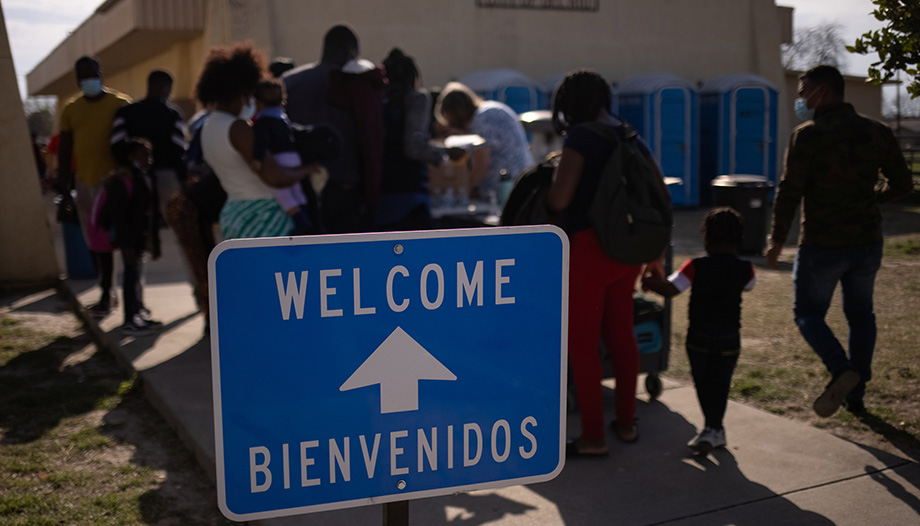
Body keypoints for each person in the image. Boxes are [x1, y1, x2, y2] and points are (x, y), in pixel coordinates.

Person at [766, 65, 913, 417]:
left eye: (804, 93)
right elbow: (903, 183)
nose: (801, 100)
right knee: (861, 316)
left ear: (824, 92)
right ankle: (856, 393)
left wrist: (775, 240)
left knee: (807, 313)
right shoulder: (876, 131)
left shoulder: (808, 135)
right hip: (867, 241)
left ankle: (841, 369)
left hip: (822, 243)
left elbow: (790, 192)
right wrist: (872, 196)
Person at [546, 70, 668, 457]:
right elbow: (659, 192)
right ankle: (627, 423)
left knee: (582, 344)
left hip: (587, 250)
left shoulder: (581, 137)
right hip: (625, 251)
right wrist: (656, 253)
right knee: (621, 334)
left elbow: (560, 200)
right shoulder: (628, 133)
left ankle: (593, 436)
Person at [643, 207, 755, 454]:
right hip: (729, 337)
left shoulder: (695, 266)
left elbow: (671, 289)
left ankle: (710, 429)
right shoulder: (745, 268)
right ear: (739, 239)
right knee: (722, 383)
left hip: (699, 336)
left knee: (703, 382)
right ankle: (715, 429)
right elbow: (750, 286)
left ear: (706, 238)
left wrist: (649, 282)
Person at [195, 42, 314, 240]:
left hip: (234, 213)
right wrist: (308, 168)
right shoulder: (238, 128)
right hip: (262, 216)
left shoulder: (208, 126)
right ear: (243, 91)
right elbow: (275, 176)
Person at [284, 24, 385, 233]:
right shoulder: (356, 85)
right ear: (351, 52)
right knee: (346, 259)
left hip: (295, 188)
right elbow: (371, 139)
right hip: (343, 187)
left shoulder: (289, 83)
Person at [56, 56, 131, 315]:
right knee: (95, 243)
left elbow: (133, 143)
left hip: (115, 185)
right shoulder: (71, 109)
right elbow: (65, 151)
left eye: (94, 74)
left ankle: (124, 297)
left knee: (121, 241)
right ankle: (106, 291)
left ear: (102, 74)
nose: (90, 80)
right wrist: (64, 189)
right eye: (84, 76)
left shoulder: (120, 104)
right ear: (78, 80)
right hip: (85, 184)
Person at [376, 48, 457, 231]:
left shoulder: (380, 101)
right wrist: (445, 153)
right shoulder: (416, 99)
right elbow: (413, 146)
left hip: (383, 192)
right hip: (411, 195)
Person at [95, 138, 161, 334]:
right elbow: (119, 216)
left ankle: (138, 312)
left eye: (150, 153)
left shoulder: (142, 176)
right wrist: (126, 246)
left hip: (138, 238)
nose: (149, 158)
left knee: (136, 276)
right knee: (130, 276)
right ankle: (130, 319)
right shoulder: (125, 180)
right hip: (129, 240)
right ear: (132, 156)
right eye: (143, 154)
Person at [110, 69, 188, 227]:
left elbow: (116, 144)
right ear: (164, 87)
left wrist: (128, 167)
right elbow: (179, 150)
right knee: (177, 225)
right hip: (166, 176)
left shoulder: (125, 112)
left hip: (135, 177)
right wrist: (183, 179)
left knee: (136, 226)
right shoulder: (172, 114)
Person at [435, 81, 533, 200]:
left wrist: (461, 192)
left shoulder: (482, 118)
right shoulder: (488, 111)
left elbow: (480, 167)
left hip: (510, 188)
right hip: (519, 182)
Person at [253, 78, 314, 235]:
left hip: (279, 158)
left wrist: (257, 160)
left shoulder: (262, 121)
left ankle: (299, 220)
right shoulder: (283, 118)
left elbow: (261, 141)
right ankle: (304, 210)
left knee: (281, 191)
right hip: (294, 157)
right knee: (296, 188)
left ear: (257, 102)